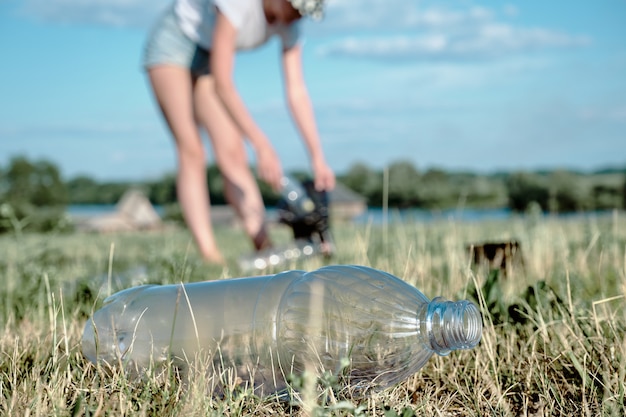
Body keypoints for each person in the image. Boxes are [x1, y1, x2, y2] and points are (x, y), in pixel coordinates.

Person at [143, 0, 335, 263]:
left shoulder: (289, 24)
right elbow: (223, 82)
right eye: (296, 10)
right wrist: (261, 144)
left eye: (303, 14)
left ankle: (264, 247)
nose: (297, 18)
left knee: (233, 153)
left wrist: (317, 157)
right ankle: (210, 255)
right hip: (175, 44)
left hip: (209, 56)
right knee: (192, 150)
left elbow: (297, 92)